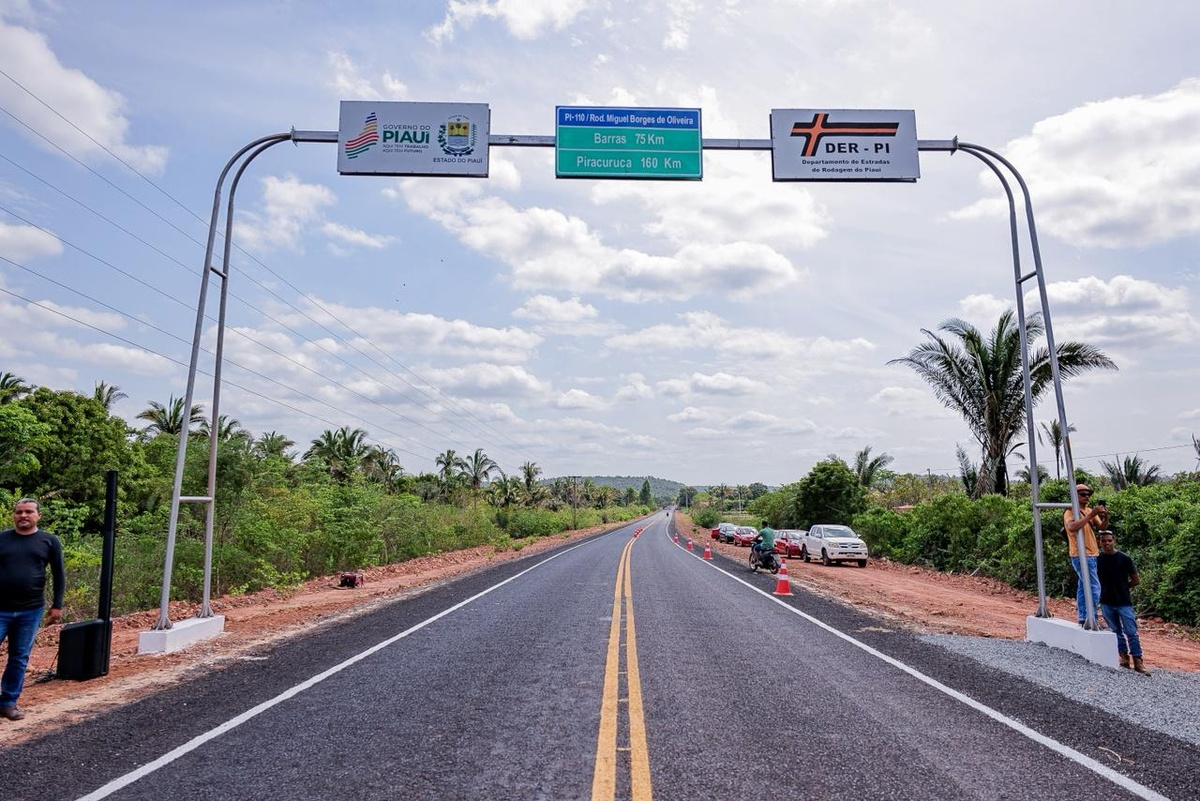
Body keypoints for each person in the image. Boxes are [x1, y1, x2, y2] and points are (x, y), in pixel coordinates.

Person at [0, 498, 65, 721]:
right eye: (19, 512)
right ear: (14, 515)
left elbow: (59, 574)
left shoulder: (49, 541)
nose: (23, 516)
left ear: (38, 515)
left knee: (19, 657)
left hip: (30, 611)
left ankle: (8, 702)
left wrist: (57, 605)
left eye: (28, 512)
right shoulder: (2, 539)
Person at [1097, 530, 1149, 675]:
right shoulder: (1097, 559)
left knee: (1131, 632)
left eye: (1109, 540)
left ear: (1114, 541)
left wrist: (1124, 587)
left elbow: (1136, 580)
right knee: (1115, 632)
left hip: (1124, 602)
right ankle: (1124, 658)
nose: (1107, 543)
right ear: (1099, 542)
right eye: (1104, 541)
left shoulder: (1125, 558)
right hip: (1106, 602)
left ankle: (1138, 661)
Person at [1063, 483, 1107, 627]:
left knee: (1083, 587)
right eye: (1082, 494)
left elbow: (1101, 527)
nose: (1086, 497)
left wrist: (1104, 516)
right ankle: (1092, 617)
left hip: (1092, 553)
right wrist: (1091, 515)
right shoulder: (1070, 511)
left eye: (1088, 494)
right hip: (1081, 554)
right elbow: (1072, 527)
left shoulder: (1088, 510)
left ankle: (1083, 617)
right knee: (1094, 587)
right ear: (1075, 496)